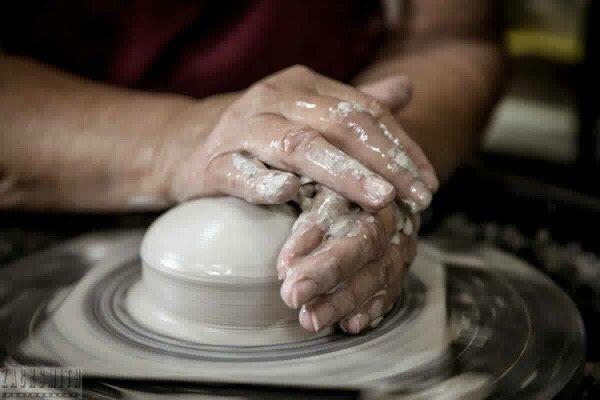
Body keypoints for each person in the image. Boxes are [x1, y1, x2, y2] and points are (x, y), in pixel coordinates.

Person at [0, 1, 503, 334]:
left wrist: (373, 157)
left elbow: (450, 38)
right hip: (57, 176)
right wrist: (180, 139)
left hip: (327, 163)